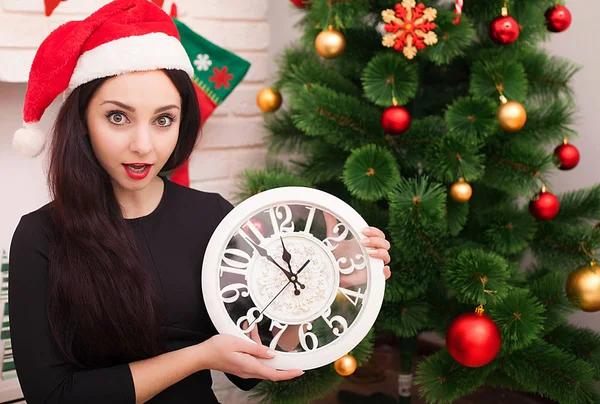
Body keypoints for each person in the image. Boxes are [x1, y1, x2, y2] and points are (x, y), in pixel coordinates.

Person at [7, 0, 392, 403]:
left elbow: (251, 366)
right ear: (83, 121)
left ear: (181, 122)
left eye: (163, 119)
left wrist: (331, 282)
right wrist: (198, 357)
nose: (143, 146)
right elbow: (51, 396)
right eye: (118, 117)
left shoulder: (214, 217)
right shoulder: (40, 236)